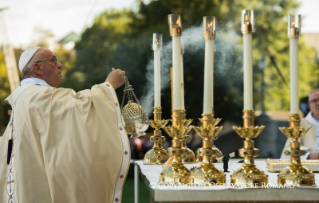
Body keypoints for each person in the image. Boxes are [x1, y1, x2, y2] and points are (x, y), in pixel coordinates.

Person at [0, 47, 130, 203]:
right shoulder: (37, 96)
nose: (60, 65)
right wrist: (109, 85)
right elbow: (81, 107)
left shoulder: (24, 95)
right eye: (53, 60)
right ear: (38, 68)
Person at [281, 89, 319, 159]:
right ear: (310, 105)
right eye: (314, 101)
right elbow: (287, 153)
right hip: (308, 168)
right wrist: (309, 156)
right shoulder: (300, 125)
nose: (318, 103)